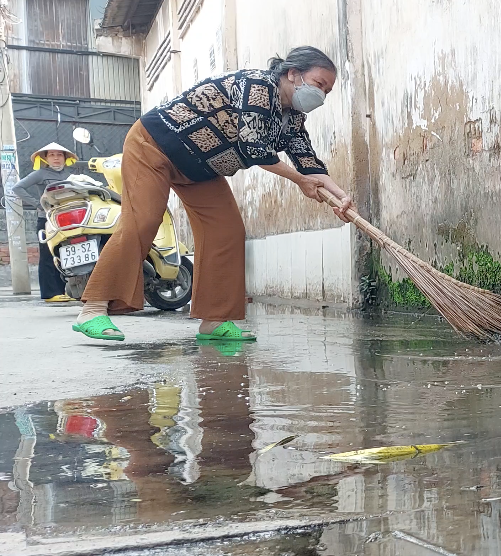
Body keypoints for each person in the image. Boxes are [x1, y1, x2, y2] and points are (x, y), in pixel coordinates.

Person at [73, 45, 354, 342]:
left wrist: (338, 194)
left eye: (327, 91)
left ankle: (214, 320)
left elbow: (308, 161)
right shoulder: (258, 86)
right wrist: (300, 181)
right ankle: (93, 309)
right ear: (293, 74)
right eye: (319, 84)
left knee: (227, 230)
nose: (321, 94)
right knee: (143, 220)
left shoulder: (293, 117)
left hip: (200, 166)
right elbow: (254, 148)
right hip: (155, 144)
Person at [13, 142, 80, 302]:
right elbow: (18, 188)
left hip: (67, 220)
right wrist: (38, 204)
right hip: (47, 220)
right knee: (47, 256)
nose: (56, 158)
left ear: (65, 158)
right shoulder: (40, 174)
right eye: (52, 155)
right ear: (45, 158)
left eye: (59, 155)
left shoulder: (70, 175)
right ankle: (50, 294)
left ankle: (64, 291)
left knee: (64, 255)